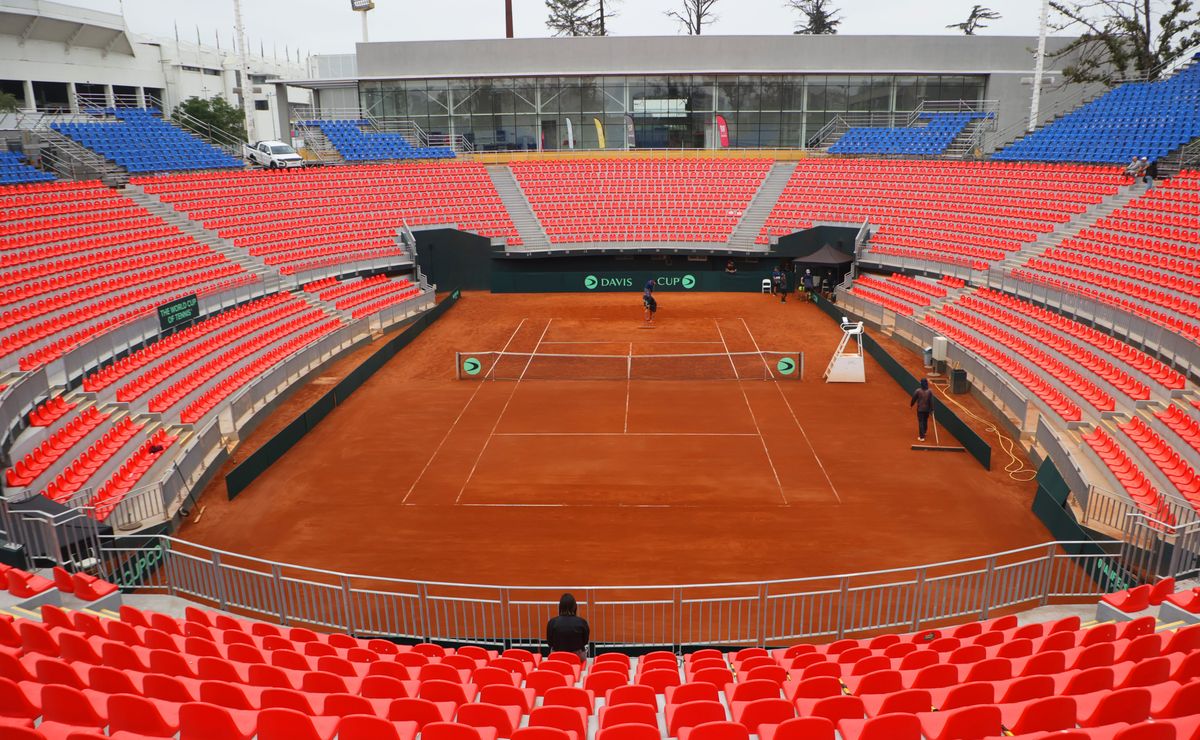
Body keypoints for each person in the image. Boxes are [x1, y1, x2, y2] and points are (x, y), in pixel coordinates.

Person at [546, 593, 589, 661]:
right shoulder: (582, 622)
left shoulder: (552, 622)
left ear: (560, 606)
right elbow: (585, 641)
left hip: (557, 656)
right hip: (577, 657)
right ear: (574, 607)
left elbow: (550, 643)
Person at [910, 378, 935, 443]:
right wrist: (932, 409)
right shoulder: (930, 391)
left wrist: (911, 404)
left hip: (920, 410)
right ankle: (924, 432)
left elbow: (914, 398)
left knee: (921, 422)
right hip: (927, 410)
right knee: (925, 420)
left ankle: (922, 437)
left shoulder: (918, 391)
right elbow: (931, 401)